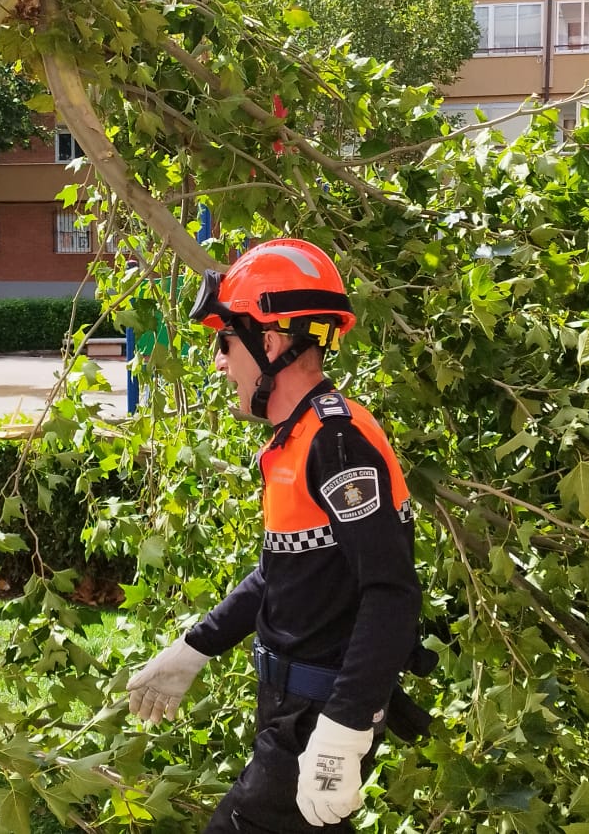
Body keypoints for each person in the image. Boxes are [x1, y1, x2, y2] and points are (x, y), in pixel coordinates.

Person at [125, 238, 425, 832]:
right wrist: (195, 647)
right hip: (295, 713)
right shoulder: (302, 436)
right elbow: (284, 573)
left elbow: (391, 592)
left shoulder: (335, 443)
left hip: (316, 719)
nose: (218, 362)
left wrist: (341, 731)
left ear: (270, 342)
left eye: (225, 342)